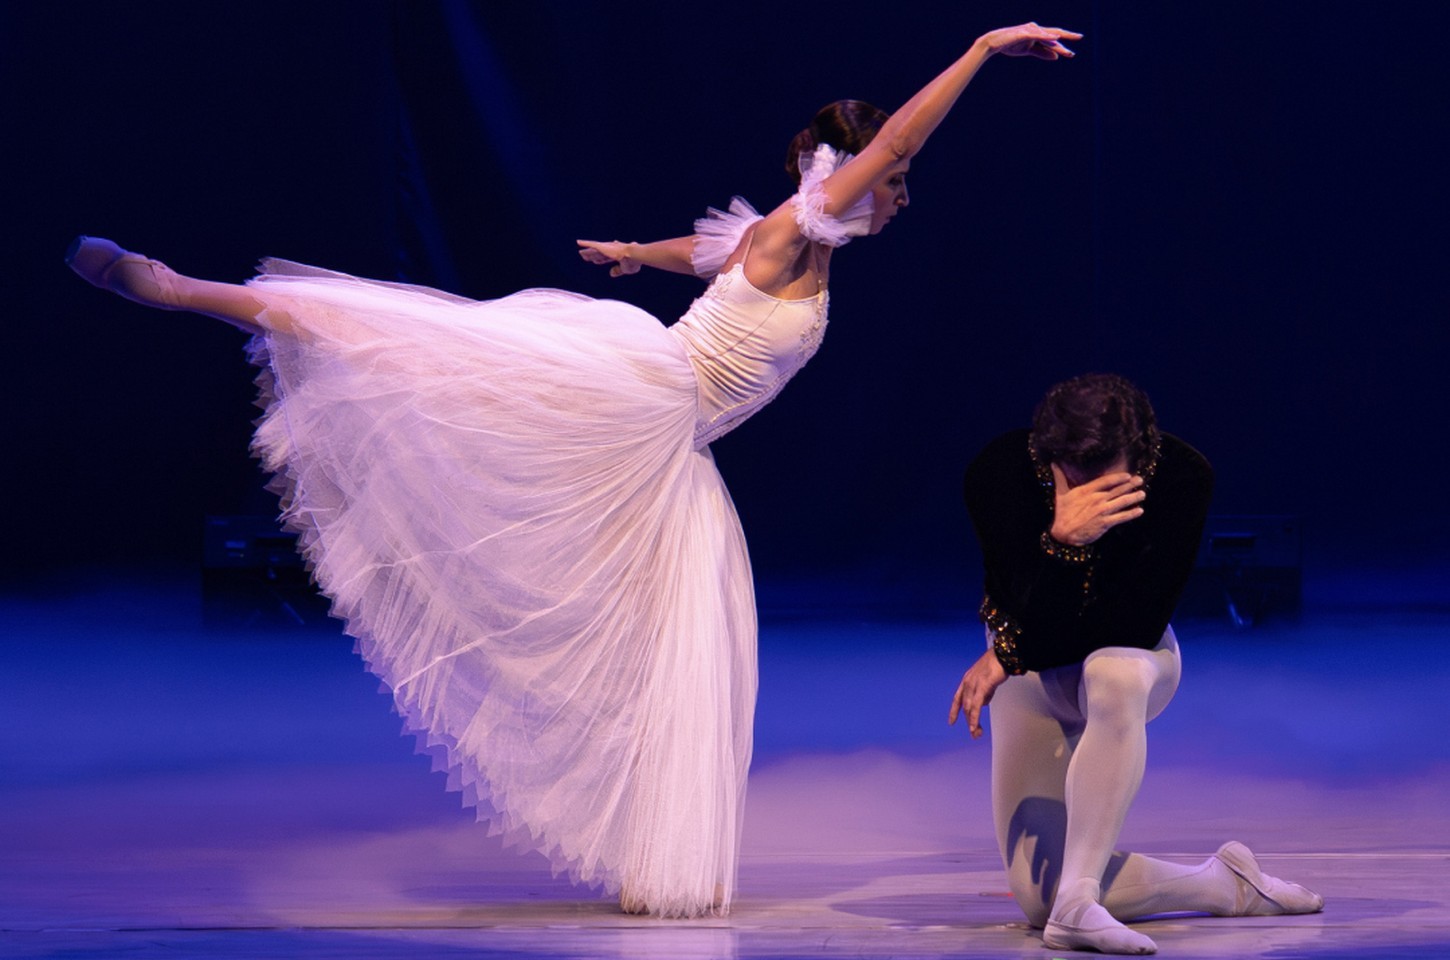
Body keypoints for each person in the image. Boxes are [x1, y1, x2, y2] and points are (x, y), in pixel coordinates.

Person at [67, 22, 1080, 919]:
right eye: (892, 183)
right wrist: (983, 51)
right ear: (844, 173)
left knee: (667, 648)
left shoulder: (786, 245)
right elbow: (892, 139)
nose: (901, 196)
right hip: (644, 397)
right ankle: (186, 289)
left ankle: (650, 859)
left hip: (671, 447)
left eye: (899, 186)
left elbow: (709, 253)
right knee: (426, 353)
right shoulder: (796, 229)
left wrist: (637, 250)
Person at [949, 373, 1323, 954]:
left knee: (1113, 672)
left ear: (1141, 453)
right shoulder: (999, 472)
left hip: (1134, 661)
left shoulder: (1180, 476)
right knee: (1034, 900)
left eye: (1108, 475)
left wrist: (1008, 646)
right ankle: (1224, 884)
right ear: (1047, 454)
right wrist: (1062, 542)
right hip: (1030, 669)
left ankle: (1078, 902)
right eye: (1075, 475)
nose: (1092, 489)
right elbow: (1016, 593)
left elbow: (1132, 623)